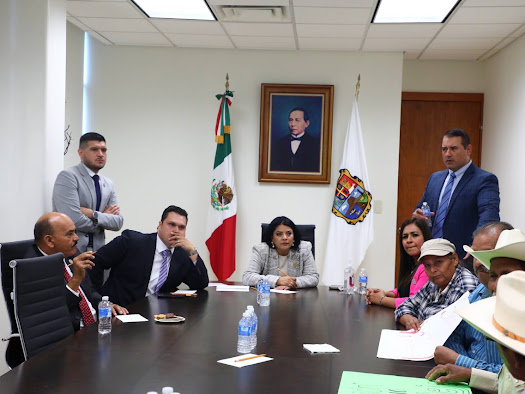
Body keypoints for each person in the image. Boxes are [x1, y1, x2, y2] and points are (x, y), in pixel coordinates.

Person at [426, 229, 525, 393]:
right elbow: (509, 381)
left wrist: (461, 361)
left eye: (507, 275)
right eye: (493, 275)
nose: (495, 285)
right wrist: (470, 374)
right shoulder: (481, 296)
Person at [23, 212, 128, 332]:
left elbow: (89, 291)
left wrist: (104, 304)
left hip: (97, 327)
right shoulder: (33, 268)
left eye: (75, 231)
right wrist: (76, 280)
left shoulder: (70, 252)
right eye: (69, 234)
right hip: (72, 338)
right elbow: (53, 312)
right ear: (49, 241)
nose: (76, 238)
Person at [412, 129, 500, 269]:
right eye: (444, 149)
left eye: (453, 148)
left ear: (468, 149)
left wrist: (477, 245)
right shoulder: (435, 179)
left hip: (462, 258)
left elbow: (489, 215)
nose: (448, 154)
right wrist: (417, 214)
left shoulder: (484, 180)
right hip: (431, 257)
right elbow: (421, 207)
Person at [89, 205, 209, 306]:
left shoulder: (182, 255)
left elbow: (200, 284)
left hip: (156, 314)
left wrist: (192, 251)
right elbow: (95, 263)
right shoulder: (132, 241)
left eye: (181, 227)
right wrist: (100, 300)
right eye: (171, 224)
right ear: (160, 225)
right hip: (122, 311)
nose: (176, 231)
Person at [434, 222, 513, 374]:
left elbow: (513, 378)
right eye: (475, 255)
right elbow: (454, 335)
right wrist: (465, 367)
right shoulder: (477, 292)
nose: (478, 263)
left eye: (487, 255)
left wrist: (463, 364)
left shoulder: (517, 305)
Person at [52, 132, 123, 252]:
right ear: (81, 153)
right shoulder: (68, 177)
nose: (100, 154)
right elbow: (74, 220)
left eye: (104, 150)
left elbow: (118, 222)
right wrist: (103, 220)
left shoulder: (108, 183)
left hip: (98, 253)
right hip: (72, 252)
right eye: (94, 149)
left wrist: (93, 214)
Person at [394, 238, 478, 330]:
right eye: (427, 265)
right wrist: (409, 320)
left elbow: (453, 330)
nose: (432, 270)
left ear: (454, 259)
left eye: (438, 262)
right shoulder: (434, 282)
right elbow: (404, 306)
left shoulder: (465, 286)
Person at [365, 218, 431, 308]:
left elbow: (415, 302)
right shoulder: (412, 264)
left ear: (425, 238)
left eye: (415, 235)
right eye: (405, 237)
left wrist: (381, 299)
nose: (409, 240)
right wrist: (384, 293)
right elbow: (405, 290)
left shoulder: (427, 267)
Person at [242, 216, 319, 289]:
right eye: (279, 234)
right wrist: (277, 280)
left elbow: (313, 277)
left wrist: (291, 283)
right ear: (272, 237)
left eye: (289, 233)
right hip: (268, 298)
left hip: (298, 298)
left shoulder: (304, 249)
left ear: (294, 236)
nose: (285, 238)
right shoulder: (261, 250)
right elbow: (248, 277)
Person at [270, 108, 321, 172]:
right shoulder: (279, 143)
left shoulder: (315, 144)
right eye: (290, 120)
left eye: (297, 120)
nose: (293, 124)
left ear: (307, 123)